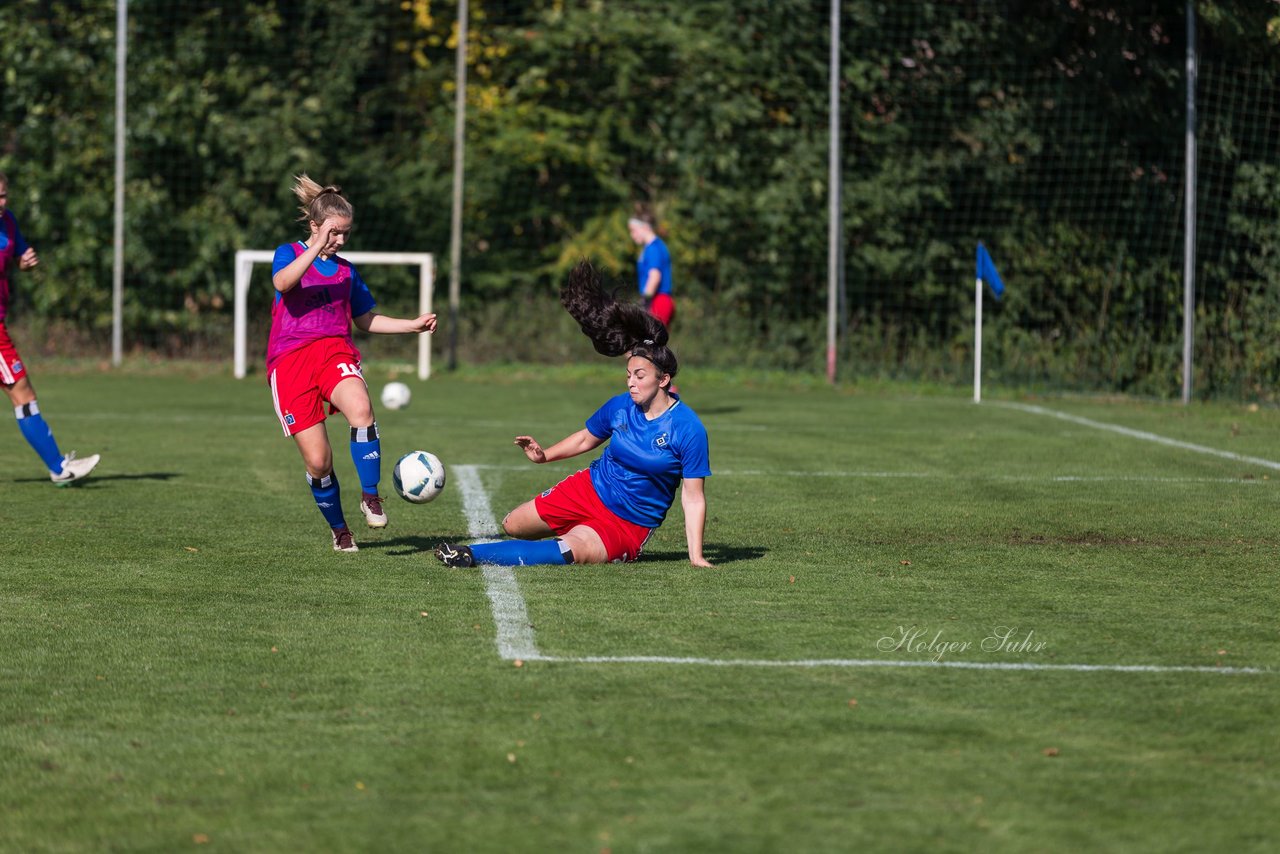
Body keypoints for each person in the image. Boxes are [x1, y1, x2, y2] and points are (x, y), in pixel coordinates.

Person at [434, 261, 712, 569]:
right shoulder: (620, 406)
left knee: (571, 551)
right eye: (628, 374)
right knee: (514, 524)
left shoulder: (688, 428)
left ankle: (471, 555)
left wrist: (696, 556)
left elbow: (693, 497)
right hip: (590, 489)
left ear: (663, 380)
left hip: (626, 523)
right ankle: (577, 533)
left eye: (640, 376)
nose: (631, 382)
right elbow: (584, 439)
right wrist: (544, 455)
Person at [268, 174, 436, 552]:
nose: (341, 240)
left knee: (361, 410)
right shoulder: (290, 253)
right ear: (315, 226)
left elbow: (365, 319)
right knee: (319, 463)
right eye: (335, 233)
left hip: (334, 352)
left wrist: (411, 325)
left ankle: (370, 495)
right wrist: (316, 246)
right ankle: (340, 530)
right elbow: (282, 283)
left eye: (345, 233)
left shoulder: (346, 271)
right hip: (290, 363)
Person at [0, 170, 100, 486]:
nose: (0, 202)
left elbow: (16, 256)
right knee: (21, 391)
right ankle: (58, 467)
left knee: (22, 393)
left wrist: (23, 262)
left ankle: (58, 466)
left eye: (3, 195)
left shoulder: (8, 221)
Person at [627, 206, 675, 326]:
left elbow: (655, 277)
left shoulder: (653, 248)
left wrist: (644, 302)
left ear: (645, 227)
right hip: (658, 300)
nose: (632, 235)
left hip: (658, 301)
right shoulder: (653, 247)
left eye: (633, 230)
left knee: (647, 343)